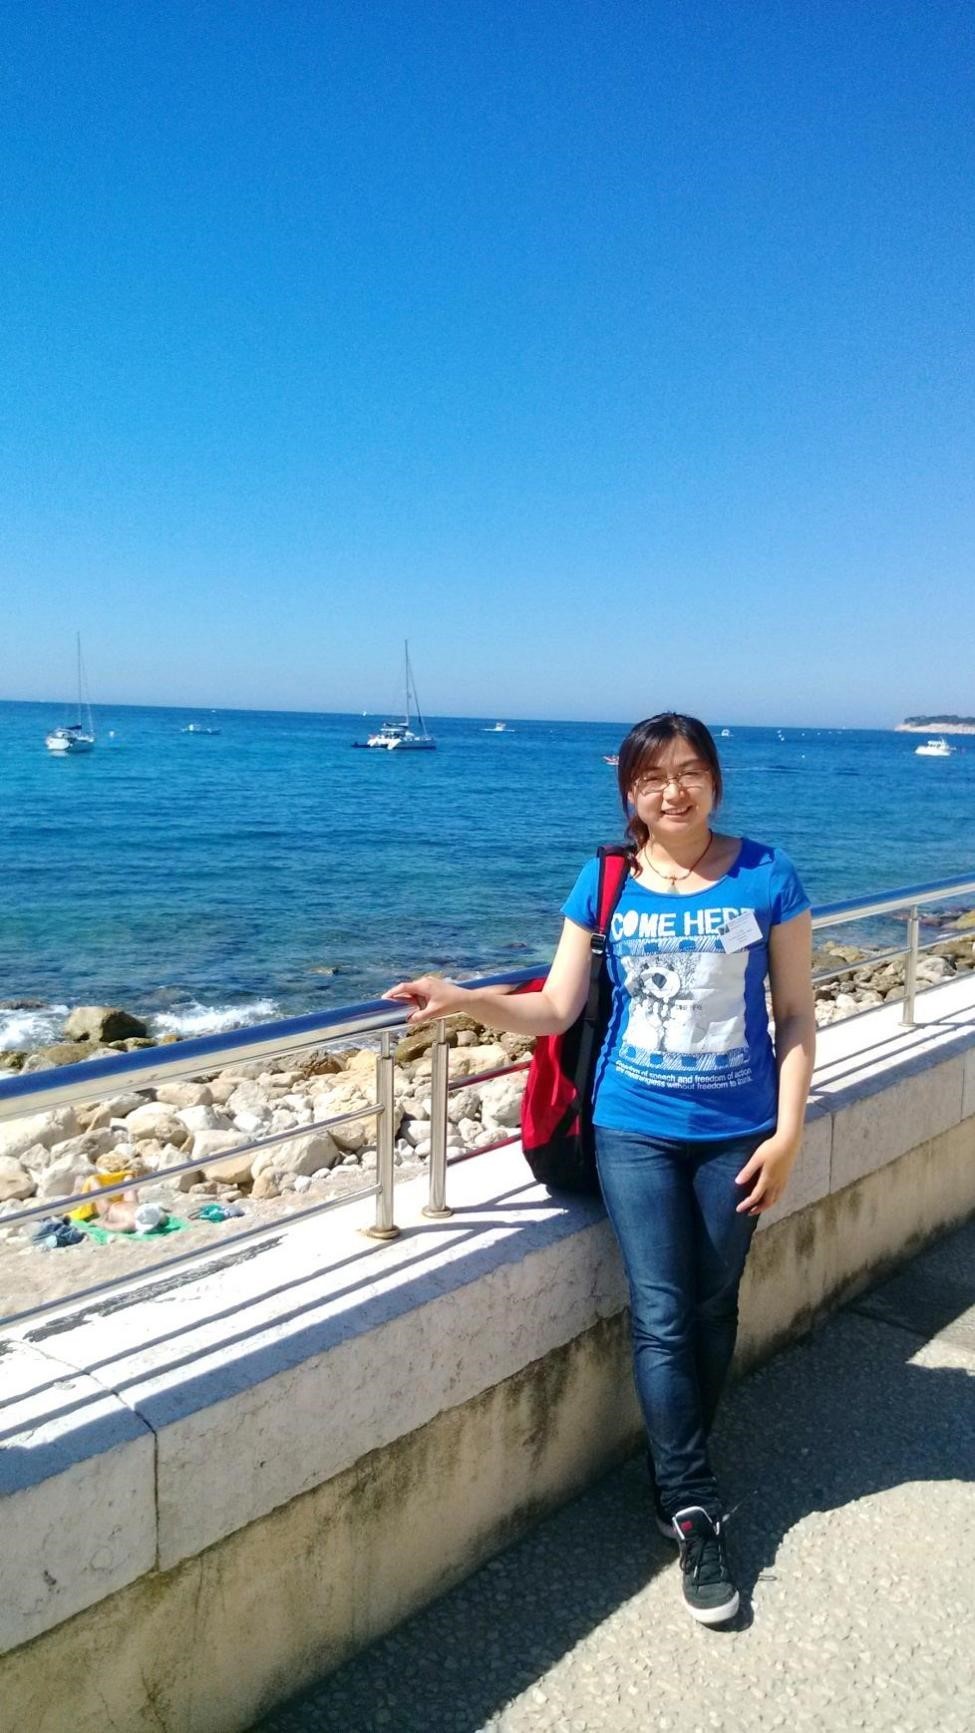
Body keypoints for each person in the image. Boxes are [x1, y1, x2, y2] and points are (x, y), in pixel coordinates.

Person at [385, 712, 815, 1627]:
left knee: (713, 1303)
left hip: (738, 1131)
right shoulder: (606, 879)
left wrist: (786, 1136)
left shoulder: (766, 873)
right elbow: (554, 1007)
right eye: (652, 777)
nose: (672, 790)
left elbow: (794, 1016)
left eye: (689, 771)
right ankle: (692, 1505)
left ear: (714, 780)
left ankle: (678, 1464)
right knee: (661, 1309)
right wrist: (462, 998)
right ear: (630, 792)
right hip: (631, 1125)